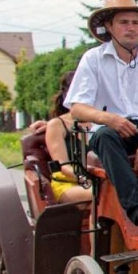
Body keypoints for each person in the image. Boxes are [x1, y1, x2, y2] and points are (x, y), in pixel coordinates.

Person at [65, 0, 138, 236]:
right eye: (124, 22)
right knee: (104, 136)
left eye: (136, 23)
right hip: (113, 131)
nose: (131, 28)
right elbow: (77, 108)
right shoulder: (93, 59)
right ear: (109, 26)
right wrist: (109, 119)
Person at [25, 72, 91, 205]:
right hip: (68, 183)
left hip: (103, 181)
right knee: (105, 192)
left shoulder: (106, 122)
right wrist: (87, 179)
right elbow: (64, 167)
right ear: (68, 95)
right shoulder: (57, 125)